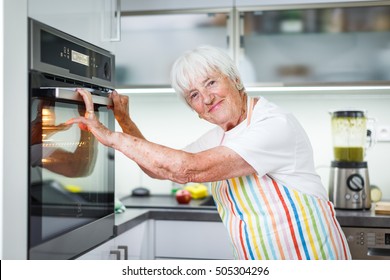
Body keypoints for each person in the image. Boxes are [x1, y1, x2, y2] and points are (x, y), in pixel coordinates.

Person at [67, 45, 351, 260]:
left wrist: (111, 137)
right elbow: (160, 168)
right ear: (195, 111)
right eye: (193, 95)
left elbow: (188, 168)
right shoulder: (219, 136)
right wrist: (125, 122)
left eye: (211, 82)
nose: (206, 98)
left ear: (235, 79)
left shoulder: (273, 124)